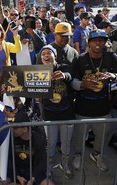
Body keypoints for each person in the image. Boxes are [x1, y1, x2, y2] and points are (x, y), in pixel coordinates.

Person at [71, 29, 117, 172]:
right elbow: (73, 81)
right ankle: (78, 155)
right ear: (89, 43)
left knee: (104, 135)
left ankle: (96, 154)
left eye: (101, 40)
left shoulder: (112, 57)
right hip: (83, 108)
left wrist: (114, 76)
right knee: (79, 136)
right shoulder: (80, 59)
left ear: (105, 42)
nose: (98, 43)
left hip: (103, 108)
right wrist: (82, 84)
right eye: (94, 40)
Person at [39, 45, 74, 179]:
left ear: (55, 56)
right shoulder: (38, 71)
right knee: (51, 142)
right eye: (43, 54)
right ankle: (48, 165)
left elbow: (69, 75)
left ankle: (64, 164)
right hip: (49, 114)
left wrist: (64, 75)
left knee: (66, 142)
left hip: (66, 113)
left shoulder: (63, 67)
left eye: (49, 53)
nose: (46, 56)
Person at [6, 110, 55, 185]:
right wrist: (17, 176)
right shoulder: (11, 139)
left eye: (15, 128)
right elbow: (9, 159)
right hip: (17, 172)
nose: (12, 130)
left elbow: (42, 163)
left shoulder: (38, 140)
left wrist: (32, 178)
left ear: (25, 129)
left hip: (34, 173)